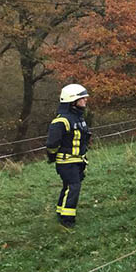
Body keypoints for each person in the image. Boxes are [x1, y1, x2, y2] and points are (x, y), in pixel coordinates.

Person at [46, 84, 91, 228]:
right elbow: (52, 144)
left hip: (78, 161)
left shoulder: (79, 118)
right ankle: (67, 219)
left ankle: (61, 211)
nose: (85, 100)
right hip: (66, 162)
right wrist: (52, 156)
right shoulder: (61, 121)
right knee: (74, 187)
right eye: (82, 98)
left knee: (68, 186)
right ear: (72, 101)